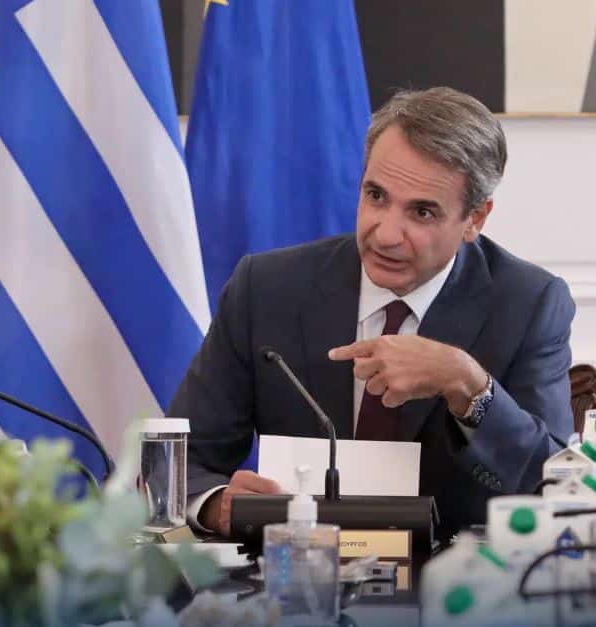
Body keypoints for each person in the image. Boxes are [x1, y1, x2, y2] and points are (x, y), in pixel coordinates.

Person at [170, 87, 574, 538]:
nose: (385, 235)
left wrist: (469, 386)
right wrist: (215, 505)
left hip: (455, 574)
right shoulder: (267, 288)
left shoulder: (528, 304)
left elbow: (555, 486)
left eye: (422, 212)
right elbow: (181, 462)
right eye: (376, 196)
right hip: (290, 567)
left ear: (475, 219)